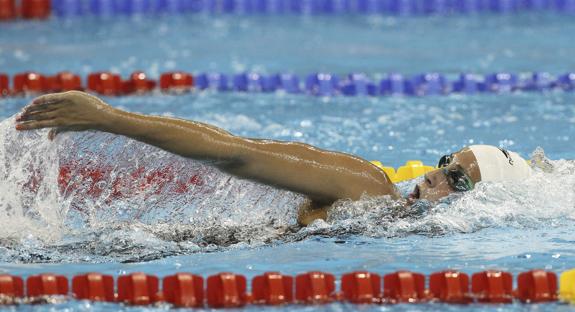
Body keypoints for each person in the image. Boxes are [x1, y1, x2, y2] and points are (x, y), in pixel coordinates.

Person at [14, 91, 533, 226]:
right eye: (445, 163)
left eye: (457, 181)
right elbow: (238, 153)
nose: (433, 178)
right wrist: (109, 118)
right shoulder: (368, 186)